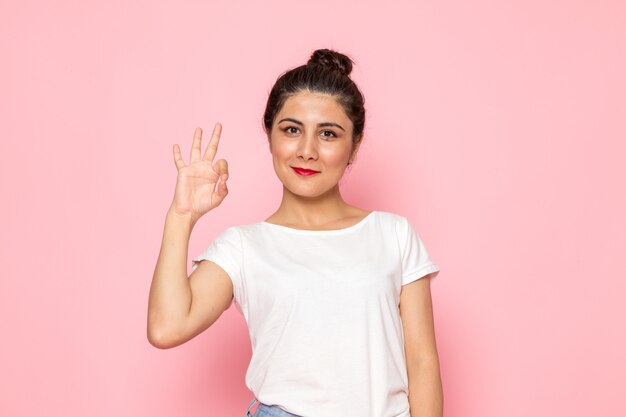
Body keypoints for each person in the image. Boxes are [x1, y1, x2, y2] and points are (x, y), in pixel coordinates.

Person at [147, 48, 443, 417]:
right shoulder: (243, 246)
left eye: (328, 134)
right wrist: (182, 216)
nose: (307, 151)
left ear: (355, 146)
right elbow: (166, 327)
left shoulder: (394, 235)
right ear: (269, 135)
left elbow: (422, 362)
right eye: (291, 130)